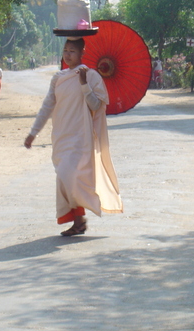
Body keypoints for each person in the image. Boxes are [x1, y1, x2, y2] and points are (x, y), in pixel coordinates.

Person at [24, 38, 123, 236]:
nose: (68, 54)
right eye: (65, 50)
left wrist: (84, 84)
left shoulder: (91, 75)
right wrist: (33, 132)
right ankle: (78, 222)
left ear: (82, 53)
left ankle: (81, 219)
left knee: (71, 177)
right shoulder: (58, 77)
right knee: (64, 178)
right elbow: (47, 106)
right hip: (61, 135)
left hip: (81, 136)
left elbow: (96, 106)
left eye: (72, 51)